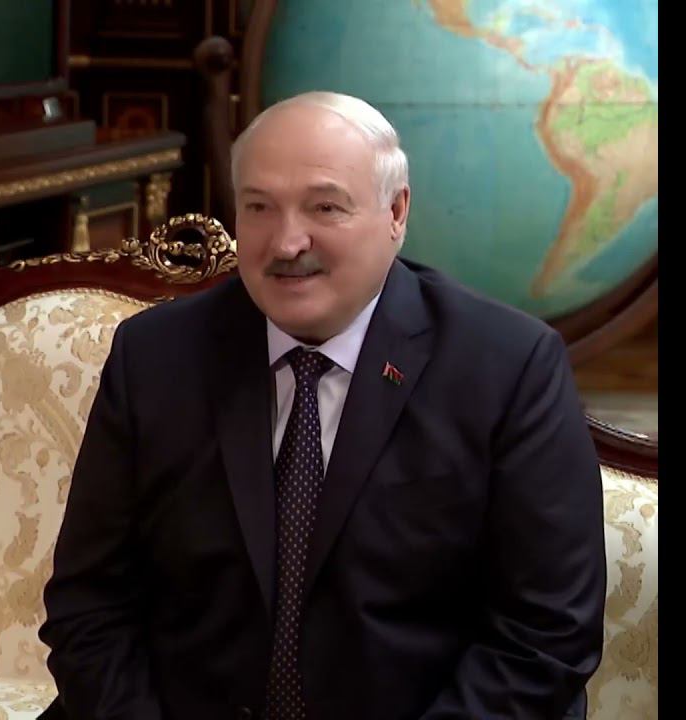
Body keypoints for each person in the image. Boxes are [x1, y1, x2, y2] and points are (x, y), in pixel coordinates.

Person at [37, 91, 606, 720]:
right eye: (259, 207)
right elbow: (89, 605)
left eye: (325, 207)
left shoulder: (508, 366)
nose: (287, 242)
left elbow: (545, 635)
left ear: (396, 212)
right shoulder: (155, 356)